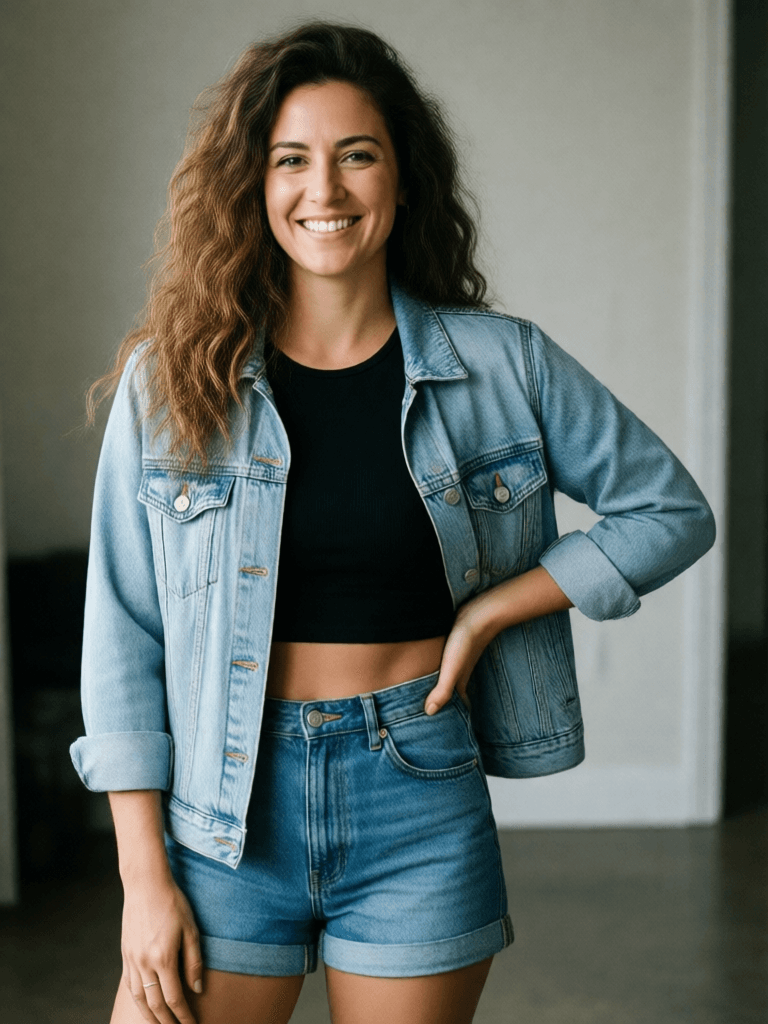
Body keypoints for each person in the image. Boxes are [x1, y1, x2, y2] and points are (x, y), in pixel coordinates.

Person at [69, 20, 716, 1024]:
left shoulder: (504, 365)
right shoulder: (172, 383)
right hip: (222, 815)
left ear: (403, 178)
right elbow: (122, 636)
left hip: (415, 791)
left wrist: (496, 607)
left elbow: (669, 509)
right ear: (255, 185)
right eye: (291, 160)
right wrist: (144, 882)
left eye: (355, 155)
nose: (323, 189)